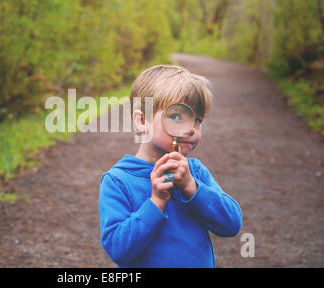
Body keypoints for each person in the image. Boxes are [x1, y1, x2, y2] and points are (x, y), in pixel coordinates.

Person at [98, 65, 242, 268]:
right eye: (176, 116)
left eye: (197, 120)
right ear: (142, 121)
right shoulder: (118, 181)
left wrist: (192, 188)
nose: (191, 129)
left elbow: (231, 224)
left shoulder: (195, 173)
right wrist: (156, 202)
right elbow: (118, 249)